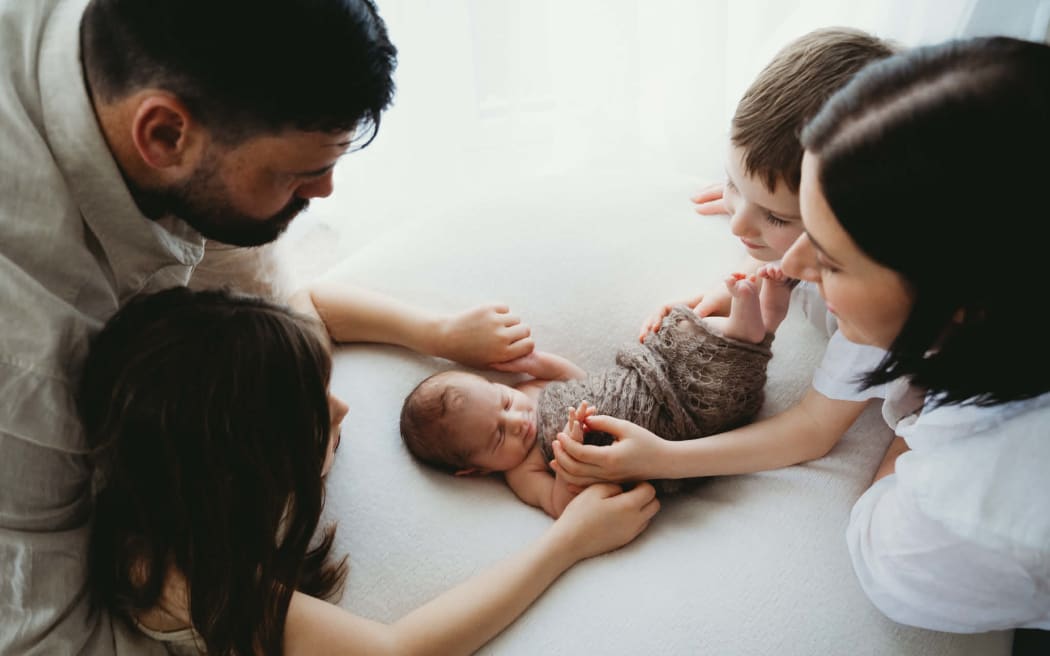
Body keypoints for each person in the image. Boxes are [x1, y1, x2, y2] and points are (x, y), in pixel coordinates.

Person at [0, 1, 530, 653]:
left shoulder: (145, 78)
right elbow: (42, 634)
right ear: (164, 136)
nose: (328, 193)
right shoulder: (28, 356)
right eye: (300, 175)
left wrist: (432, 333)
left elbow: (281, 304)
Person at [565, 34, 1050, 633]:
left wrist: (669, 458)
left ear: (957, 299)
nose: (792, 269)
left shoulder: (943, 531)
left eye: (827, 253)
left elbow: (828, 447)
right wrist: (764, 212)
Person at [80, 286, 659, 655]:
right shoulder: (183, 579)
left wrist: (438, 333)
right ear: (246, 473)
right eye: (315, 416)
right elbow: (395, 651)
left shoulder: (237, 381)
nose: (344, 408)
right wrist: (567, 543)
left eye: (326, 390)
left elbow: (318, 305)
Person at [551, 27, 899, 484]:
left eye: (777, 217)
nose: (736, 225)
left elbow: (813, 430)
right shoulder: (784, 217)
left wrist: (664, 457)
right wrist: (755, 224)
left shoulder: (877, 310)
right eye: (732, 179)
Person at [400, 274, 784, 518]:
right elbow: (561, 506)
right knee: (714, 391)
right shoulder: (522, 472)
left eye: (503, 402)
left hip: (648, 378)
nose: (517, 421)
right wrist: (569, 462)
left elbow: (579, 381)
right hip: (672, 430)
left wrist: (536, 362)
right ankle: (753, 329)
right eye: (497, 435)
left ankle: (745, 322)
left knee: (678, 332)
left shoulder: (526, 392)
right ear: (477, 470)